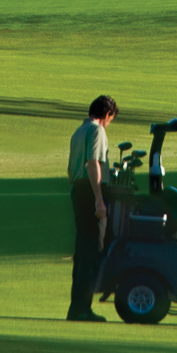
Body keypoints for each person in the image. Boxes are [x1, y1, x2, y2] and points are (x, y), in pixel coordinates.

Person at [65, 94, 118, 321]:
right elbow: (92, 163)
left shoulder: (78, 131)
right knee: (92, 251)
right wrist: (99, 198)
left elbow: (71, 169)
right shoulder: (97, 131)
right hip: (90, 191)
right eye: (110, 119)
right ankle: (82, 309)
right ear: (106, 114)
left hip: (78, 189)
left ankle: (76, 306)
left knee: (82, 251)